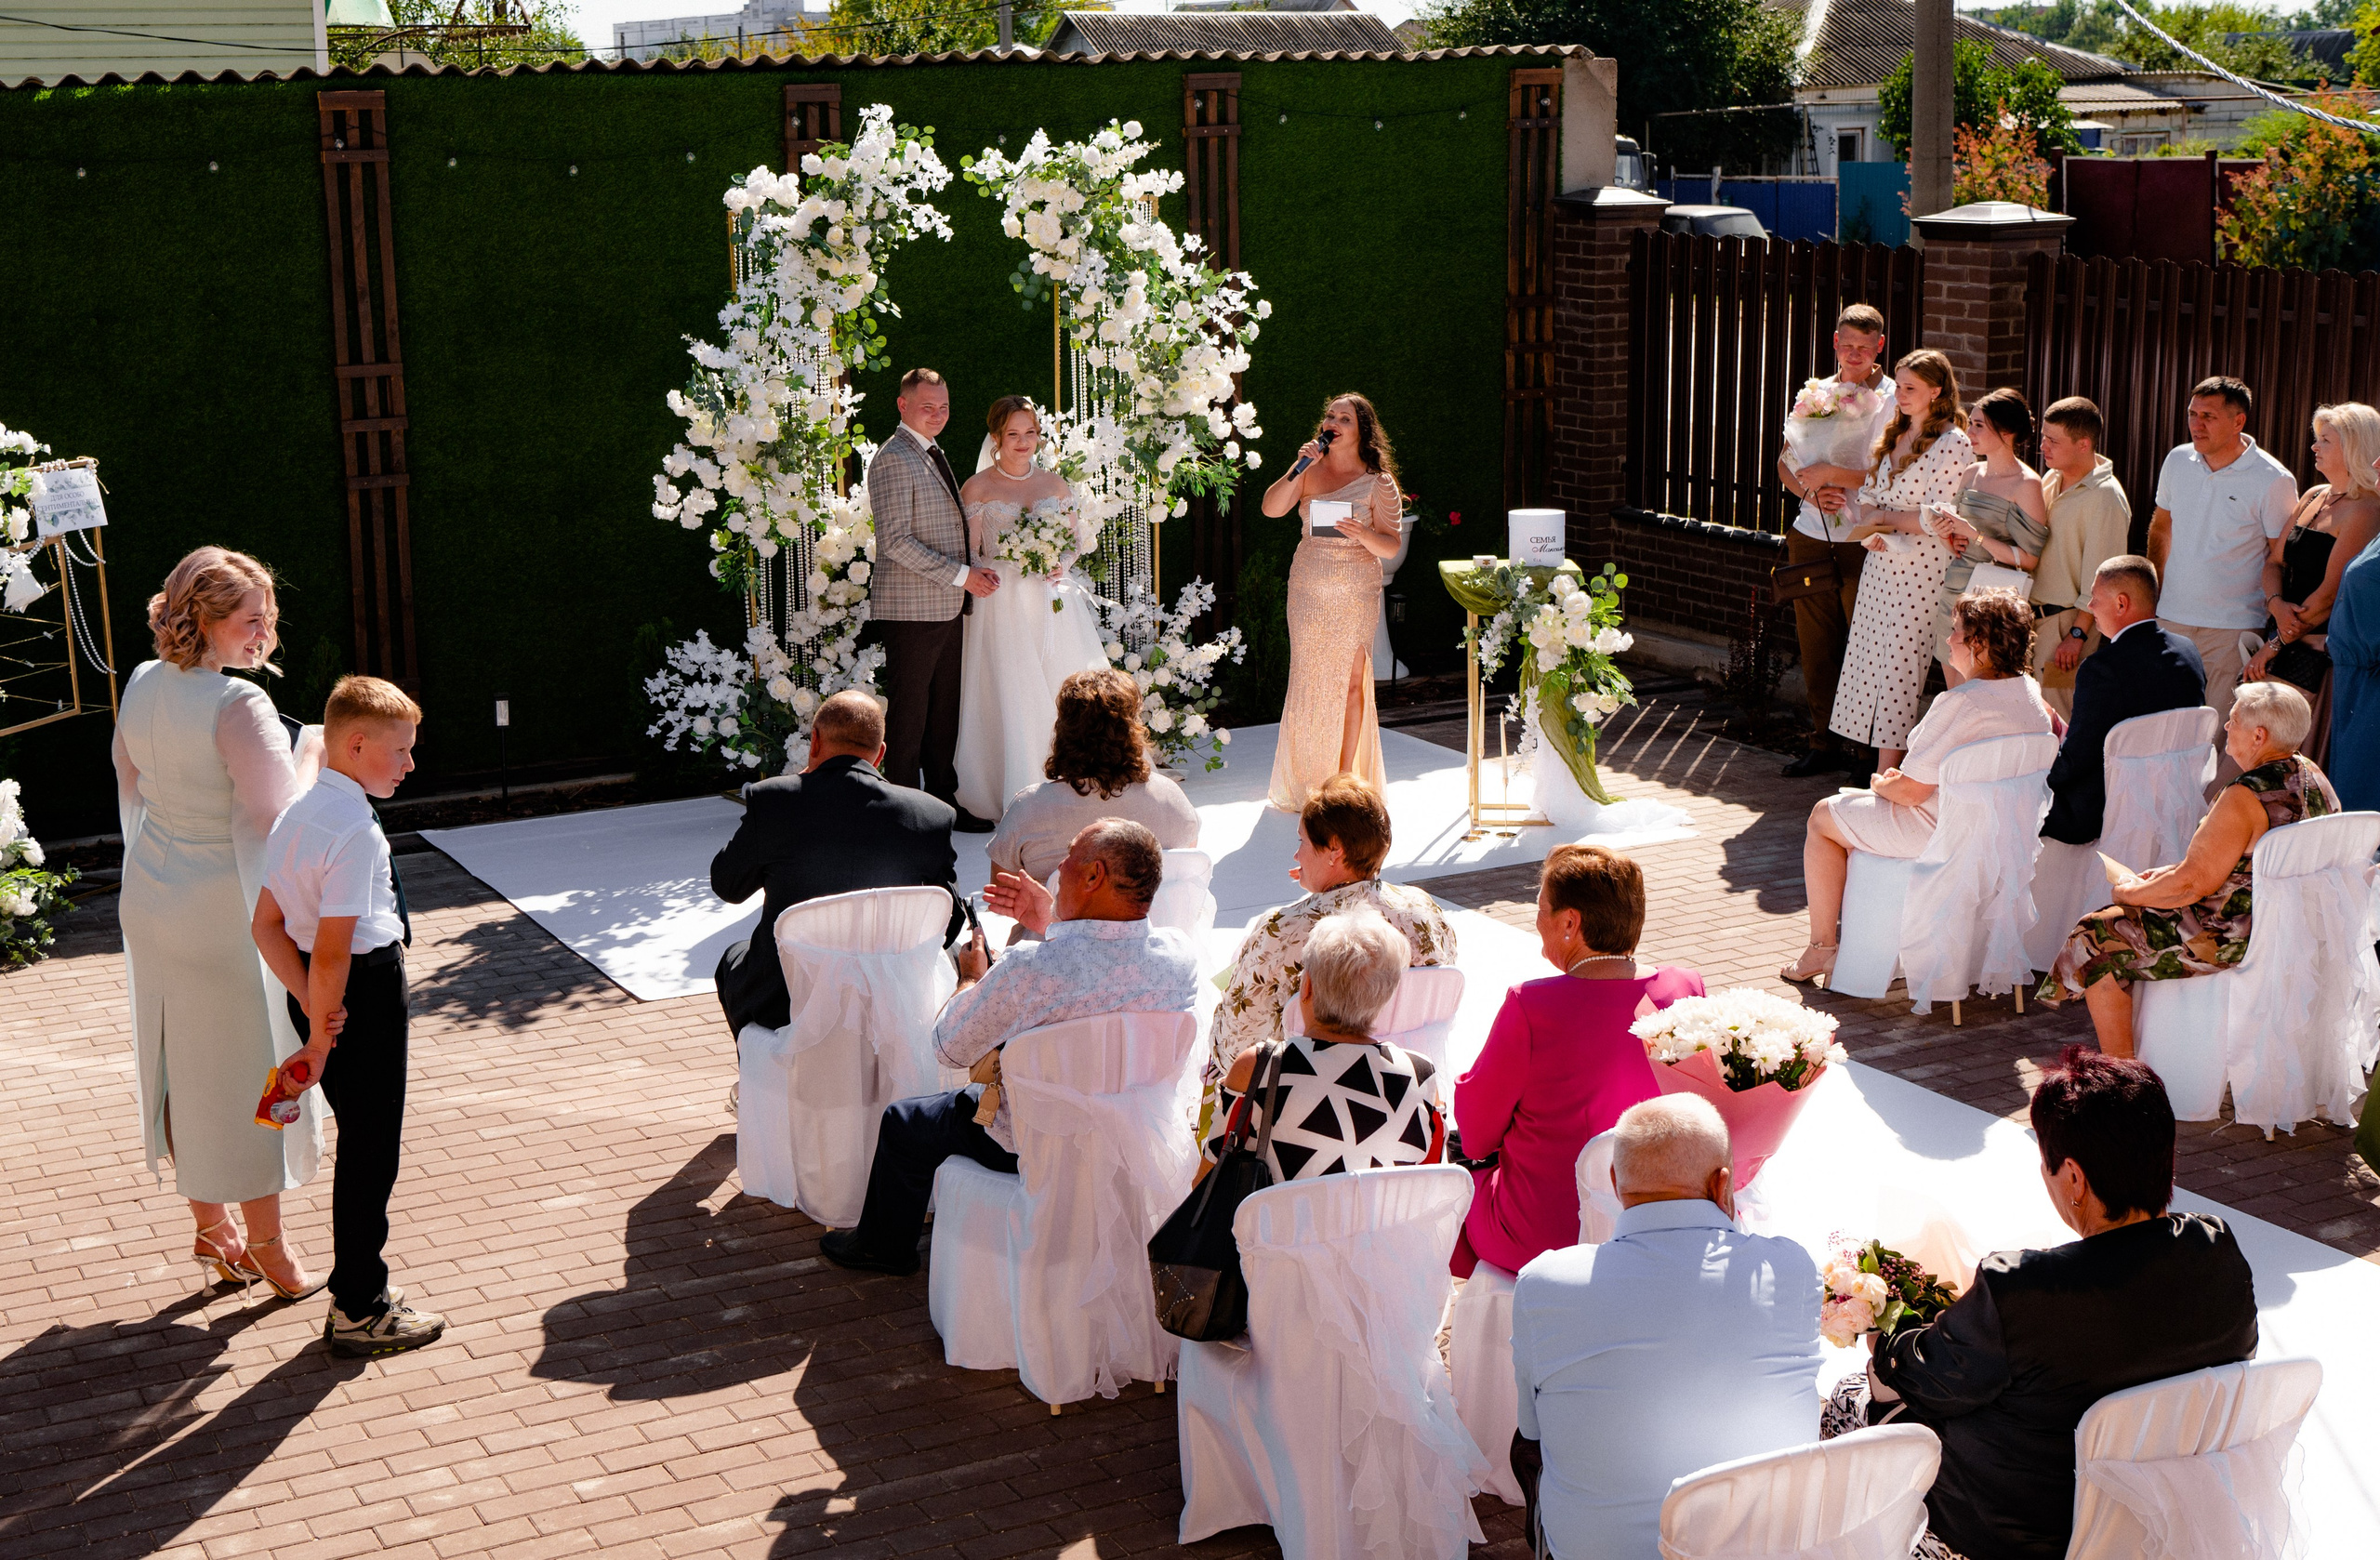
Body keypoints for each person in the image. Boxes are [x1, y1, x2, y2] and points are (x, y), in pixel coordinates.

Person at [1848, 1048, 2257, 1560]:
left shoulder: (2023, 1289)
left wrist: (1889, 1334)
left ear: (2074, 1177)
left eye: (2044, 1162)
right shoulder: (2215, 1249)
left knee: (1848, 1404)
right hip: (2156, 1523)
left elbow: (1922, 1376)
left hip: (2009, 1534)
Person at [817, 819, 1197, 1276]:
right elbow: (1103, 967)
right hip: (1136, 1134)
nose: (1059, 866)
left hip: (1034, 1140)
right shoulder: (1179, 958)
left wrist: (973, 978)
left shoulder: (1027, 971)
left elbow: (949, 1049)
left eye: (1069, 857)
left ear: (1094, 876)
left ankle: (883, 1248)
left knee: (905, 1122)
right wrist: (1053, 921)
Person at [113, 547, 325, 1302]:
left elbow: (130, 783)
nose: (264, 632)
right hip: (220, 914)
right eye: (250, 619)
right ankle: (269, 1244)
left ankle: (213, 1230)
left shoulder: (140, 682)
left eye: (268, 617)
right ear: (202, 621)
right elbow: (282, 816)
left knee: (176, 1064)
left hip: (151, 897)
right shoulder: (241, 706)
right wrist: (312, 753)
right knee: (246, 1073)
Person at [1509, 1095, 1822, 1560]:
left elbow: (1531, 1432)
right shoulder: (1792, 1268)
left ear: (1616, 1184)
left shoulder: (1547, 1282)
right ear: (1723, 1184)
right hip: (1761, 1548)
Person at [251, 676, 445, 1357]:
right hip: (357, 990)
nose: (410, 764)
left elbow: (266, 927)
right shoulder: (354, 831)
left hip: (320, 989)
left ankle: (359, 1296)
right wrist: (320, 1035)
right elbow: (335, 947)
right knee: (370, 1152)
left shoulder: (297, 815)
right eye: (400, 751)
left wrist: (308, 1005)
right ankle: (360, 1306)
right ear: (356, 745)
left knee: (362, 1145)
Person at [2042, 681, 2335, 1055]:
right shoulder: (2312, 776)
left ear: (2259, 735)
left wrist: (2128, 892)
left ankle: (2122, 1075)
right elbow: (2217, 867)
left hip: (2227, 937)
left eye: (2234, 720)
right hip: (2285, 925)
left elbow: (2191, 886)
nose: (2227, 728)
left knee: (2094, 936)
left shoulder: (2245, 795)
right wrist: (2159, 878)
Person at [1786, 590, 2054, 985]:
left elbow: (1911, 793)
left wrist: (1880, 783)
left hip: (1936, 834)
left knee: (1822, 816)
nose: (1948, 641)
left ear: (1979, 642)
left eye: (1956, 632)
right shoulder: (2033, 695)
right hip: (2000, 839)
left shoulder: (1962, 702)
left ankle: (1822, 949)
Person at [1450, 845, 1686, 1278]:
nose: (1535, 919)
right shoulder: (1681, 988)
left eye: (1540, 907)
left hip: (1543, 1235)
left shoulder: (1532, 1005)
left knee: (1446, 1172)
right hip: (1653, 1221)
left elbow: (1477, 1137)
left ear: (1570, 923)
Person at [1207, 773, 1455, 1141]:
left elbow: (1235, 1043)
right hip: (1401, 1098)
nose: (1295, 855)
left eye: (1302, 842)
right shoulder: (1425, 912)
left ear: (1334, 850)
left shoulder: (1282, 929)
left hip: (1303, 1111)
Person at [708, 691, 959, 1043]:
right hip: (888, 1000)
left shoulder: (774, 800)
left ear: (814, 741)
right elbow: (950, 923)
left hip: (785, 1001)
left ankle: (760, 1077)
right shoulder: (931, 815)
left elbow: (727, 885)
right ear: (880, 755)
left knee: (732, 959)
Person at [953, 396, 1112, 822]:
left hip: (1050, 599)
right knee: (1010, 691)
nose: (1023, 442)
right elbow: (970, 551)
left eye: (1030, 433)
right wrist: (983, 571)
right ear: (996, 438)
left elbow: (1075, 542)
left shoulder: (1056, 485)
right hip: (1000, 600)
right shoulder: (978, 487)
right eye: (1013, 434)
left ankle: (1080, 781)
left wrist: (1061, 562)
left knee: (1065, 684)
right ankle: (1015, 786)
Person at [1201, 911, 1446, 1181]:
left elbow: (1204, 1182)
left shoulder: (1259, 1066)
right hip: (1380, 1223)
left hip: (1278, 1224)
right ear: (1383, 998)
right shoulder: (1421, 1075)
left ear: (1306, 987)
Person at [866, 367, 999, 830]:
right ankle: (901, 816)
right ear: (903, 405)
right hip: (912, 610)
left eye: (943, 406)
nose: (938, 415)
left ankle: (943, 805)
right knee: (909, 716)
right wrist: (963, 575)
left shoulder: (928, 450)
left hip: (945, 605)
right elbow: (897, 542)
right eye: (928, 406)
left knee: (944, 711)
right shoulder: (892, 458)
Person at [1829, 350, 1977, 769]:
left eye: (1911, 388)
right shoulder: (1894, 434)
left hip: (1923, 570)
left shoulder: (1952, 442)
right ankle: (1877, 763)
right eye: (1900, 385)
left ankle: (1888, 772)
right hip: (1881, 564)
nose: (1902, 394)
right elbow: (1871, 498)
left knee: (1900, 667)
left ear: (1937, 390)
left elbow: (1941, 518)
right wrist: (1872, 527)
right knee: (1871, 660)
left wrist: (1886, 519)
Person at [1260, 393, 1406, 811]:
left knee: (1352, 685)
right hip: (1308, 589)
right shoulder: (1308, 468)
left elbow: (1391, 546)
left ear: (1362, 430)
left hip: (1355, 591)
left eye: (1345, 417)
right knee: (1308, 682)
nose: (1334, 422)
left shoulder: (1380, 482)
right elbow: (1271, 509)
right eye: (1330, 415)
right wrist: (1296, 466)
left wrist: (1362, 535)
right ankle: (1307, 781)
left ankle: (1341, 787)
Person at [2147, 376, 2298, 755]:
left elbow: (2279, 561)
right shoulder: (2177, 459)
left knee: (2216, 738)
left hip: (2232, 630)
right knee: (2159, 727)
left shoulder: (2274, 479)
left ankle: (2206, 815)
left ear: (2238, 422)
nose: (2196, 424)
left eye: (2208, 416)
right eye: (2192, 414)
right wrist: (2154, 596)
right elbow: (2161, 528)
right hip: (2171, 620)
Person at [1778, 302, 1892, 778]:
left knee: (1863, 644)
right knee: (1817, 643)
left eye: (1865, 347)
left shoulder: (1893, 396)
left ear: (1879, 346)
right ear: (1834, 343)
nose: (1855, 354)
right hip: (1810, 531)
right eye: (1847, 346)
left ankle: (1866, 754)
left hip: (1863, 537)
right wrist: (1811, 487)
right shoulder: (1815, 392)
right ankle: (1822, 741)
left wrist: (1836, 475)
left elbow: (1892, 468)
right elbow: (1786, 461)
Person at [2241, 402, 2380, 770]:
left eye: (2326, 441)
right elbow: (2273, 561)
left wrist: (2272, 647)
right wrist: (2275, 605)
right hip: (2281, 637)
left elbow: (2327, 597)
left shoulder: (2366, 509)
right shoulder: (2314, 495)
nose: (2315, 447)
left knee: (2273, 766)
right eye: (2316, 439)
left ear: (2354, 448)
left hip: (2313, 657)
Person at [2040, 557, 2207, 849]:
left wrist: (2037, 776)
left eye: (2094, 598)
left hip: (2099, 813)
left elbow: (2077, 760)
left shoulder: (2101, 668)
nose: (2089, 607)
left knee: (2005, 796)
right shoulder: (2188, 652)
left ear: (2121, 604)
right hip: (2171, 804)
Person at [986, 668, 1198, 886]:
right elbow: (1187, 873)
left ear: (1063, 732)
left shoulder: (1029, 807)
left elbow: (1002, 891)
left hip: (1054, 921)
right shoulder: (1170, 796)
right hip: (1149, 921)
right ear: (1132, 731)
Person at [1932, 389, 2049, 685]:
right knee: (1953, 695)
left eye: (1978, 425)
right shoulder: (1971, 473)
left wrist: (1974, 535)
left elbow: (2030, 559)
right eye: (1970, 423)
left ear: (2007, 431)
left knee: (1981, 697)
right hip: (1953, 596)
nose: (1969, 432)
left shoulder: (2027, 485)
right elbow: (1957, 538)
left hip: (1990, 608)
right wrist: (1946, 534)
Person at [2029, 397, 2133, 720]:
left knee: (2057, 719)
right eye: (2044, 436)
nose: (2043, 446)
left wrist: (2076, 636)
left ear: (2084, 443)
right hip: (2035, 621)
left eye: (2053, 440)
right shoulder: (2051, 478)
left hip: (2066, 630)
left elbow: (2103, 581)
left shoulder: (2107, 499)